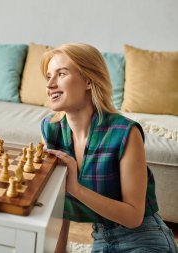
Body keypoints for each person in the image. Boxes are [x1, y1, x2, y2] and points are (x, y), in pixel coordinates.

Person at [40, 43, 177, 252]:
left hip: (144, 238)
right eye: (48, 75)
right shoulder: (51, 131)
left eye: (61, 74)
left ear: (88, 80)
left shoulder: (125, 133)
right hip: (102, 238)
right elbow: (58, 212)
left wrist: (76, 189)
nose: (50, 84)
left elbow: (133, 217)